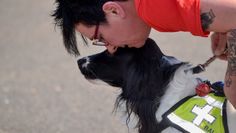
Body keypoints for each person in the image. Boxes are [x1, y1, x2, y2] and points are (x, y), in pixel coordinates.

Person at [52, 0, 236, 108]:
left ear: (114, 10)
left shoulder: (153, 8)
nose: (110, 47)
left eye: (101, 37)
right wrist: (224, 27)